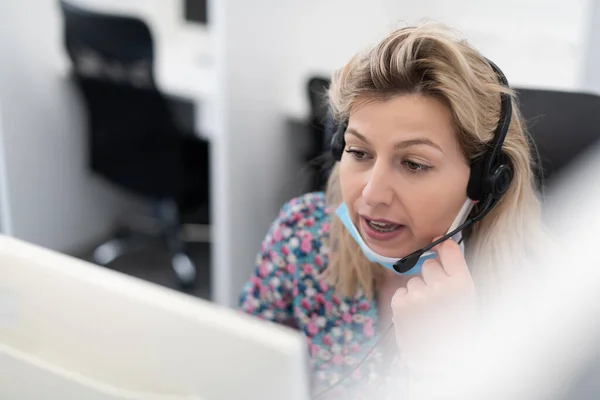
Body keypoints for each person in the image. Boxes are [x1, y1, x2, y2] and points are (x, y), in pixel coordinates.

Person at [239, 22, 545, 399]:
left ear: (486, 183)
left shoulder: (543, 301)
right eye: (359, 152)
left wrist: (439, 365)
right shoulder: (302, 234)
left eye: (414, 163)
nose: (372, 194)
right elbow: (243, 371)